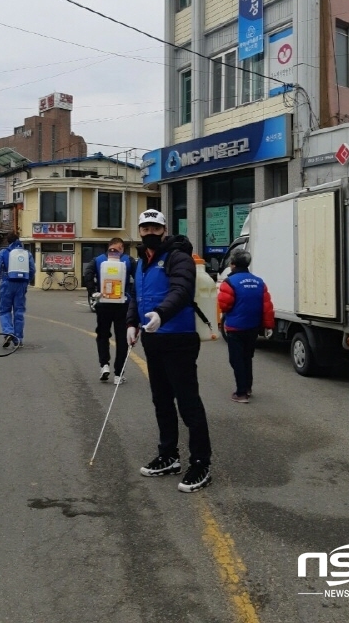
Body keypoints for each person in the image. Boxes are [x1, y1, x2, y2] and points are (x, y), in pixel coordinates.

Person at [126, 210, 212, 493]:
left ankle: (201, 463)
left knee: (188, 403)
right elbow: (136, 295)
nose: (149, 231)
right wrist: (131, 322)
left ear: (164, 230)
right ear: (139, 231)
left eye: (155, 227)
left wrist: (162, 313)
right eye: (145, 227)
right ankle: (169, 454)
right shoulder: (140, 262)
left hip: (178, 338)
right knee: (161, 401)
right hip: (153, 339)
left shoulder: (178, 257)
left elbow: (182, 289)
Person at [217, 249, 274, 404]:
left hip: (235, 328)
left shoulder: (229, 282)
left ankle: (241, 393)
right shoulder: (259, 282)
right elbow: (267, 306)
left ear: (233, 264)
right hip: (253, 327)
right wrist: (268, 326)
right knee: (247, 358)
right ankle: (248, 387)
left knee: (236, 360)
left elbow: (224, 305)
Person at [84, 237, 135, 385]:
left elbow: (88, 274)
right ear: (122, 248)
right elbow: (139, 278)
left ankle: (104, 365)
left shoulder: (98, 260)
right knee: (122, 339)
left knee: (102, 335)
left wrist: (93, 291)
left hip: (103, 303)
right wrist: (132, 295)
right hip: (122, 304)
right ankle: (119, 374)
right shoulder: (128, 260)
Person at [0, 231, 36, 347]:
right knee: (19, 312)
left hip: (7, 282)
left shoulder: (4, 252)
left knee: (4, 310)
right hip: (21, 284)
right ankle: (18, 339)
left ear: (8, 241)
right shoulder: (26, 253)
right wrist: (26, 281)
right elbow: (32, 269)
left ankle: (8, 332)